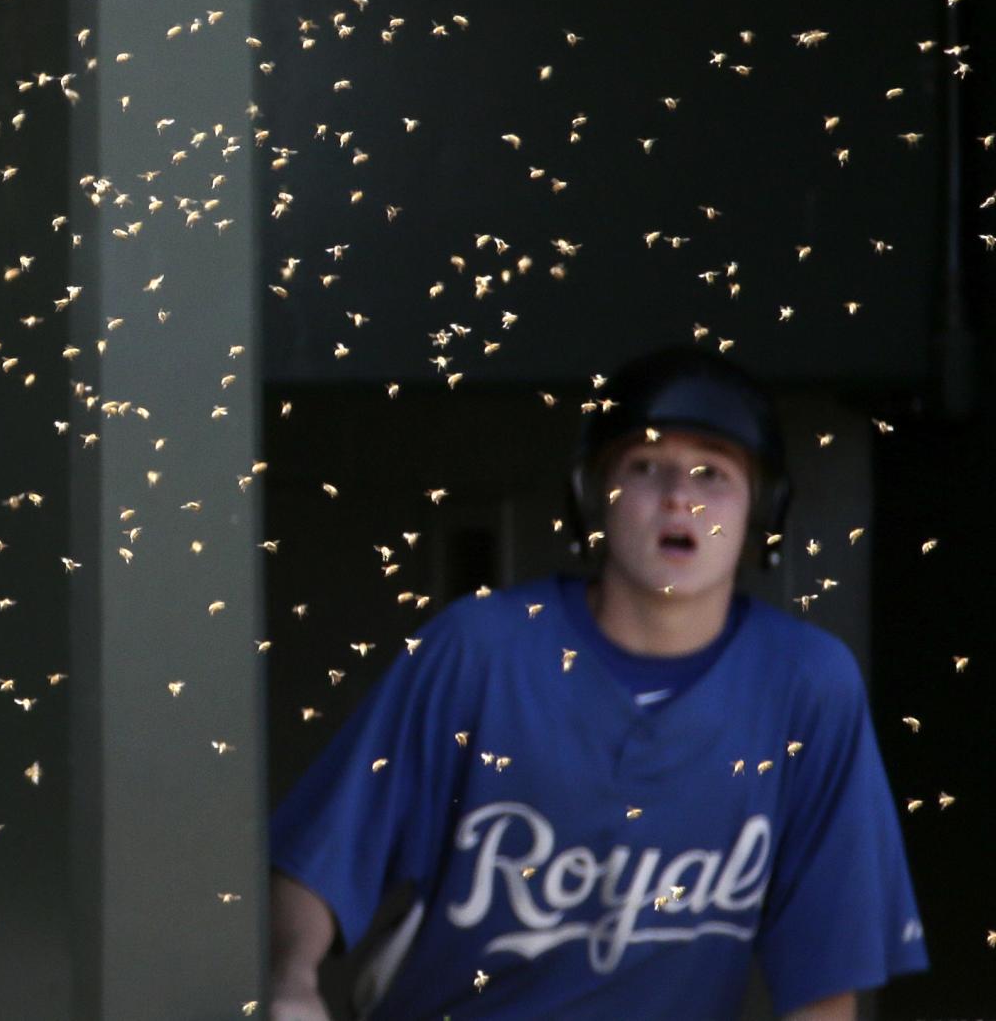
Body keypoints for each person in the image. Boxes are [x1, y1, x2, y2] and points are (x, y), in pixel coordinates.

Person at [268, 346, 929, 1020]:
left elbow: (824, 975)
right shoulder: (481, 649)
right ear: (592, 497)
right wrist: (292, 979)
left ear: (764, 509)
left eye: (712, 474)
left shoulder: (807, 684)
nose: (679, 498)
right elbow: (320, 856)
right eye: (645, 469)